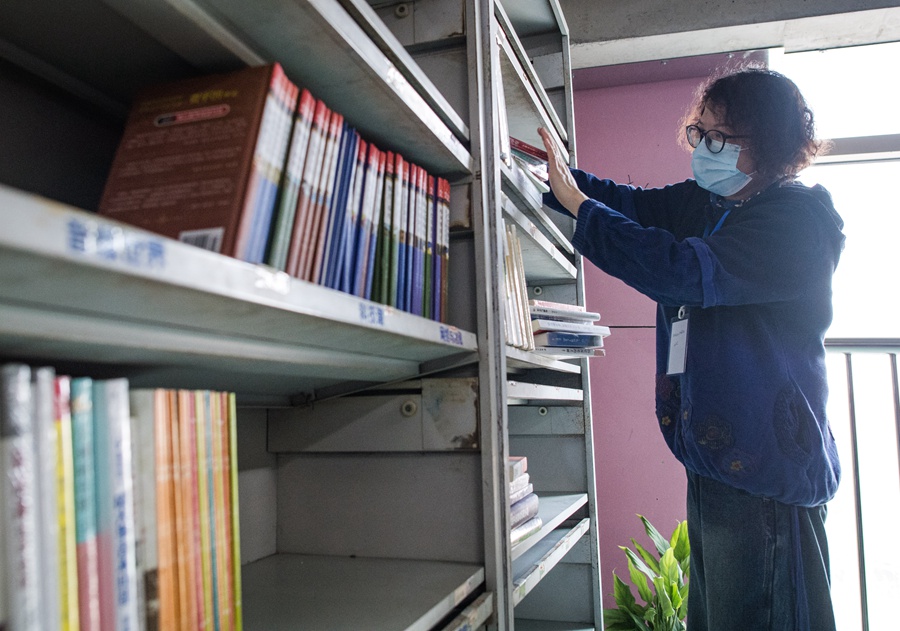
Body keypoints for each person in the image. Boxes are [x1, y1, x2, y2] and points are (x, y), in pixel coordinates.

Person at [538, 67, 844, 631]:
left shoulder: (797, 222)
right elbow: (633, 206)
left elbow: (680, 271)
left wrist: (579, 206)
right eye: (699, 133)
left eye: (720, 138)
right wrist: (547, 175)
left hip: (766, 471)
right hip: (716, 461)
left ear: (769, 144)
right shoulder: (713, 202)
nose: (703, 149)